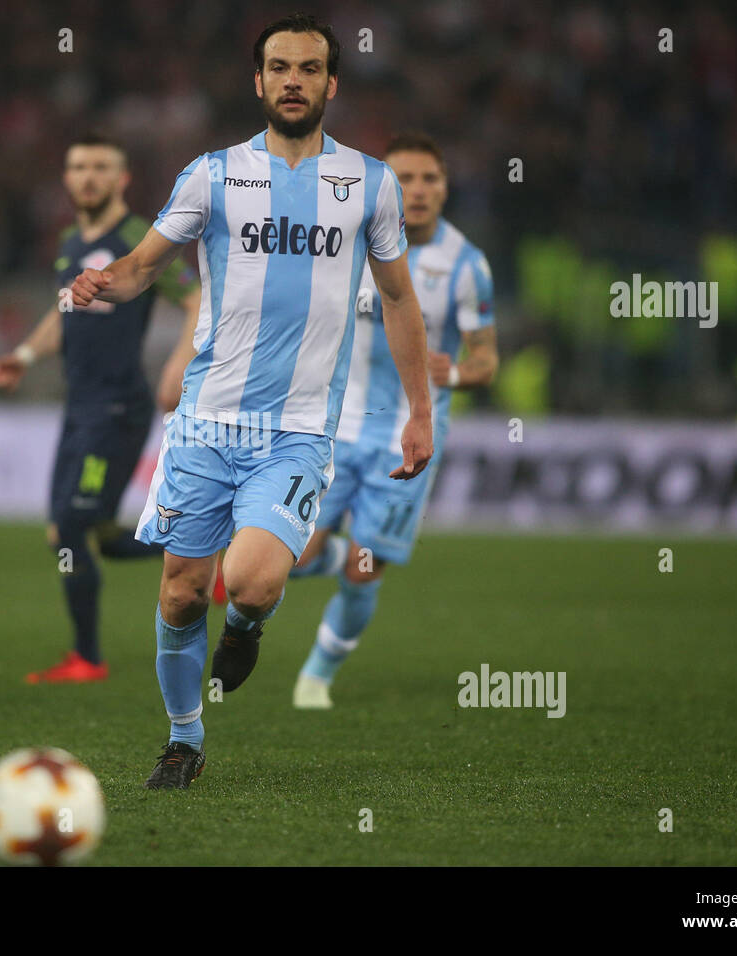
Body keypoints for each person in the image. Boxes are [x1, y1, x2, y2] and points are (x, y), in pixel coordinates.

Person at [70, 14, 433, 789]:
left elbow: (399, 300)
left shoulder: (370, 183)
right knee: (180, 591)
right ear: (258, 81)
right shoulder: (211, 174)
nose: (293, 80)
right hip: (206, 421)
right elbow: (142, 266)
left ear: (332, 84)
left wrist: (420, 410)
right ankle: (184, 740)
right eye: (279, 67)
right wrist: (105, 282)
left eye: (308, 69)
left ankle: (244, 628)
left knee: (256, 579)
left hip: (299, 428)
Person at [290, 132, 498, 709]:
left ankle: (316, 675)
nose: (418, 190)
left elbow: (485, 360)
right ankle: (329, 553)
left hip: (407, 436)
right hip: (334, 427)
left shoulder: (466, 266)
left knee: (365, 569)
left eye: (430, 178)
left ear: (445, 186)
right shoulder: (350, 243)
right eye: (405, 179)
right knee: (298, 556)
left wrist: (451, 374)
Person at [0, 134, 201, 682]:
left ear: (122, 179)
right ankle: (203, 549)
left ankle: (87, 658)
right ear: (66, 177)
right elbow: (65, 312)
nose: (88, 176)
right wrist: (24, 353)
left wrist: (178, 364)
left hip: (116, 409)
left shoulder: (135, 238)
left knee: (70, 525)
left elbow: (197, 297)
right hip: (79, 407)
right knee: (93, 534)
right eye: (78, 166)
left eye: (101, 167)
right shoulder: (68, 242)